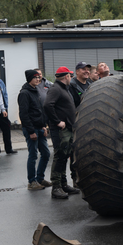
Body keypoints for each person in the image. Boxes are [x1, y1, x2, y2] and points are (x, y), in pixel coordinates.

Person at [44, 66, 81, 199]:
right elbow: (47, 105)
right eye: (70, 76)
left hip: (68, 129)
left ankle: (64, 184)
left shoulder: (64, 88)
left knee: (65, 157)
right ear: (66, 76)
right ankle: (56, 187)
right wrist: (57, 121)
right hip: (60, 130)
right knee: (59, 157)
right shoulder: (55, 89)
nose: (71, 78)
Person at [19, 70, 52, 191]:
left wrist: (43, 125)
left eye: (39, 77)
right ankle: (31, 182)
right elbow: (24, 114)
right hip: (31, 129)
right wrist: (31, 131)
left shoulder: (35, 90)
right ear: (29, 79)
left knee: (46, 153)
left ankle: (40, 178)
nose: (38, 79)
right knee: (33, 155)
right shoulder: (24, 93)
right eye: (35, 78)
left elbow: (40, 110)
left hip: (40, 127)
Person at [0, 68, 17, 155]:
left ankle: (9, 148)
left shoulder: (0, 82)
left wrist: (5, 107)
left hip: (2, 109)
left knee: (6, 128)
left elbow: (4, 94)